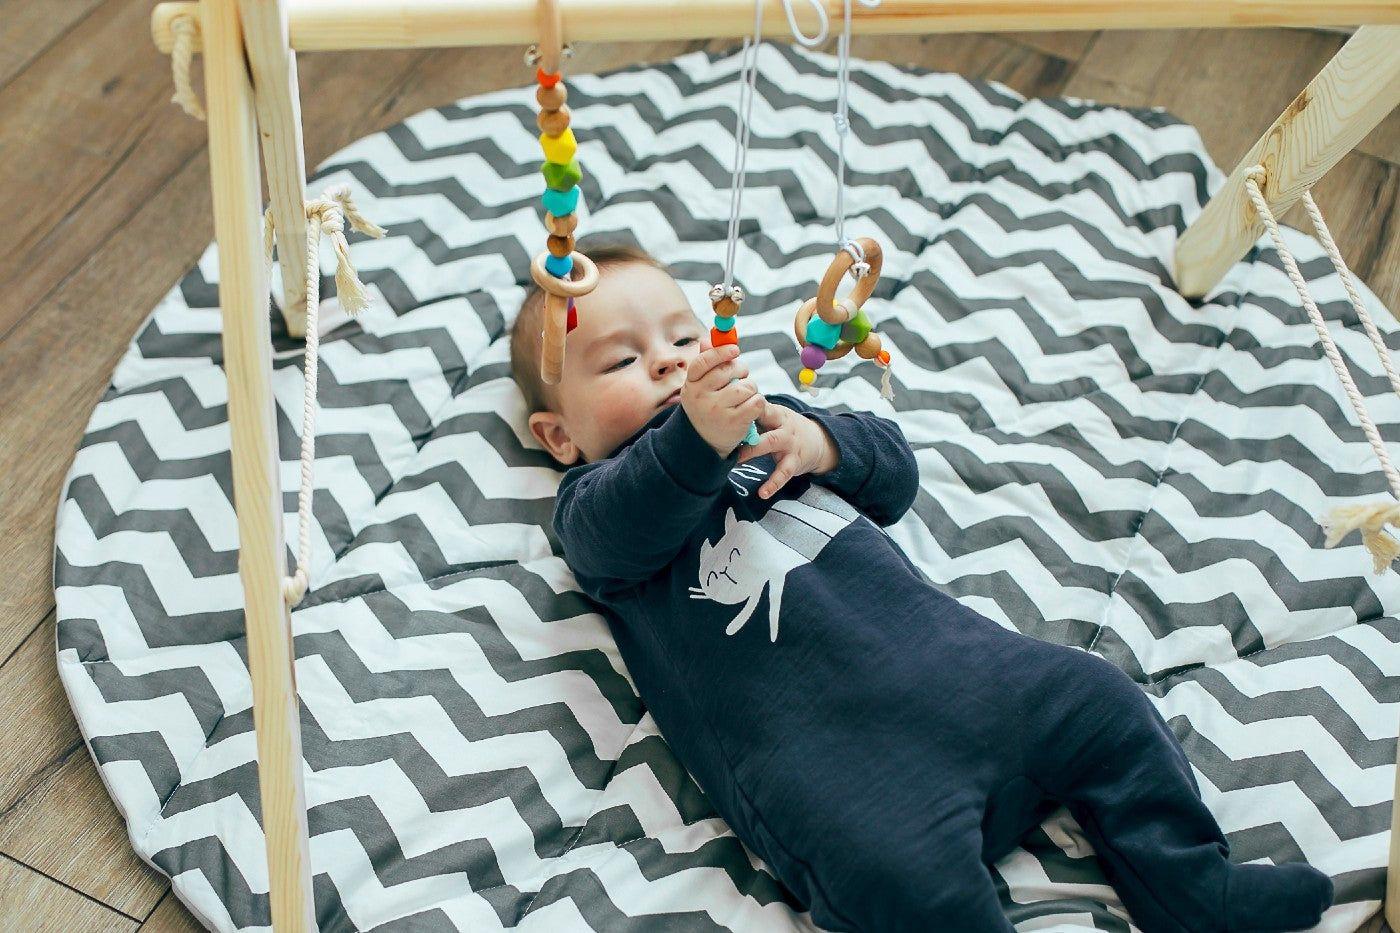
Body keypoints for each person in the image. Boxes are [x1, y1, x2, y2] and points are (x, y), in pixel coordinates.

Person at [509, 240, 1334, 932]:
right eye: (622, 359)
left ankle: (1191, 883)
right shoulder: (596, 503)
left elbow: (894, 474)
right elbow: (622, 526)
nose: (669, 360)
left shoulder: (773, 423)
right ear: (558, 434)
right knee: (901, 886)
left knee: (1100, 701)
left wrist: (822, 441)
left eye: (685, 337)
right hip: (836, 766)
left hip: (968, 673)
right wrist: (691, 436)